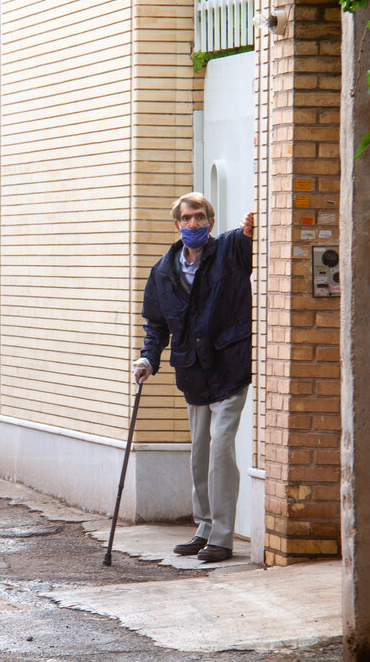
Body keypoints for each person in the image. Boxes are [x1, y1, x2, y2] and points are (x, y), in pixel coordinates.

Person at [133, 192, 254, 563]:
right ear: (177, 224)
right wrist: (147, 360)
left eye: (201, 217)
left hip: (229, 367)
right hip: (193, 372)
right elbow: (156, 325)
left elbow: (250, 240)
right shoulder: (163, 271)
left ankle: (222, 536)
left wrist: (252, 229)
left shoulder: (230, 250)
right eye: (187, 218)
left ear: (211, 222)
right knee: (199, 454)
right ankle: (203, 527)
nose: (194, 223)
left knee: (220, 449)